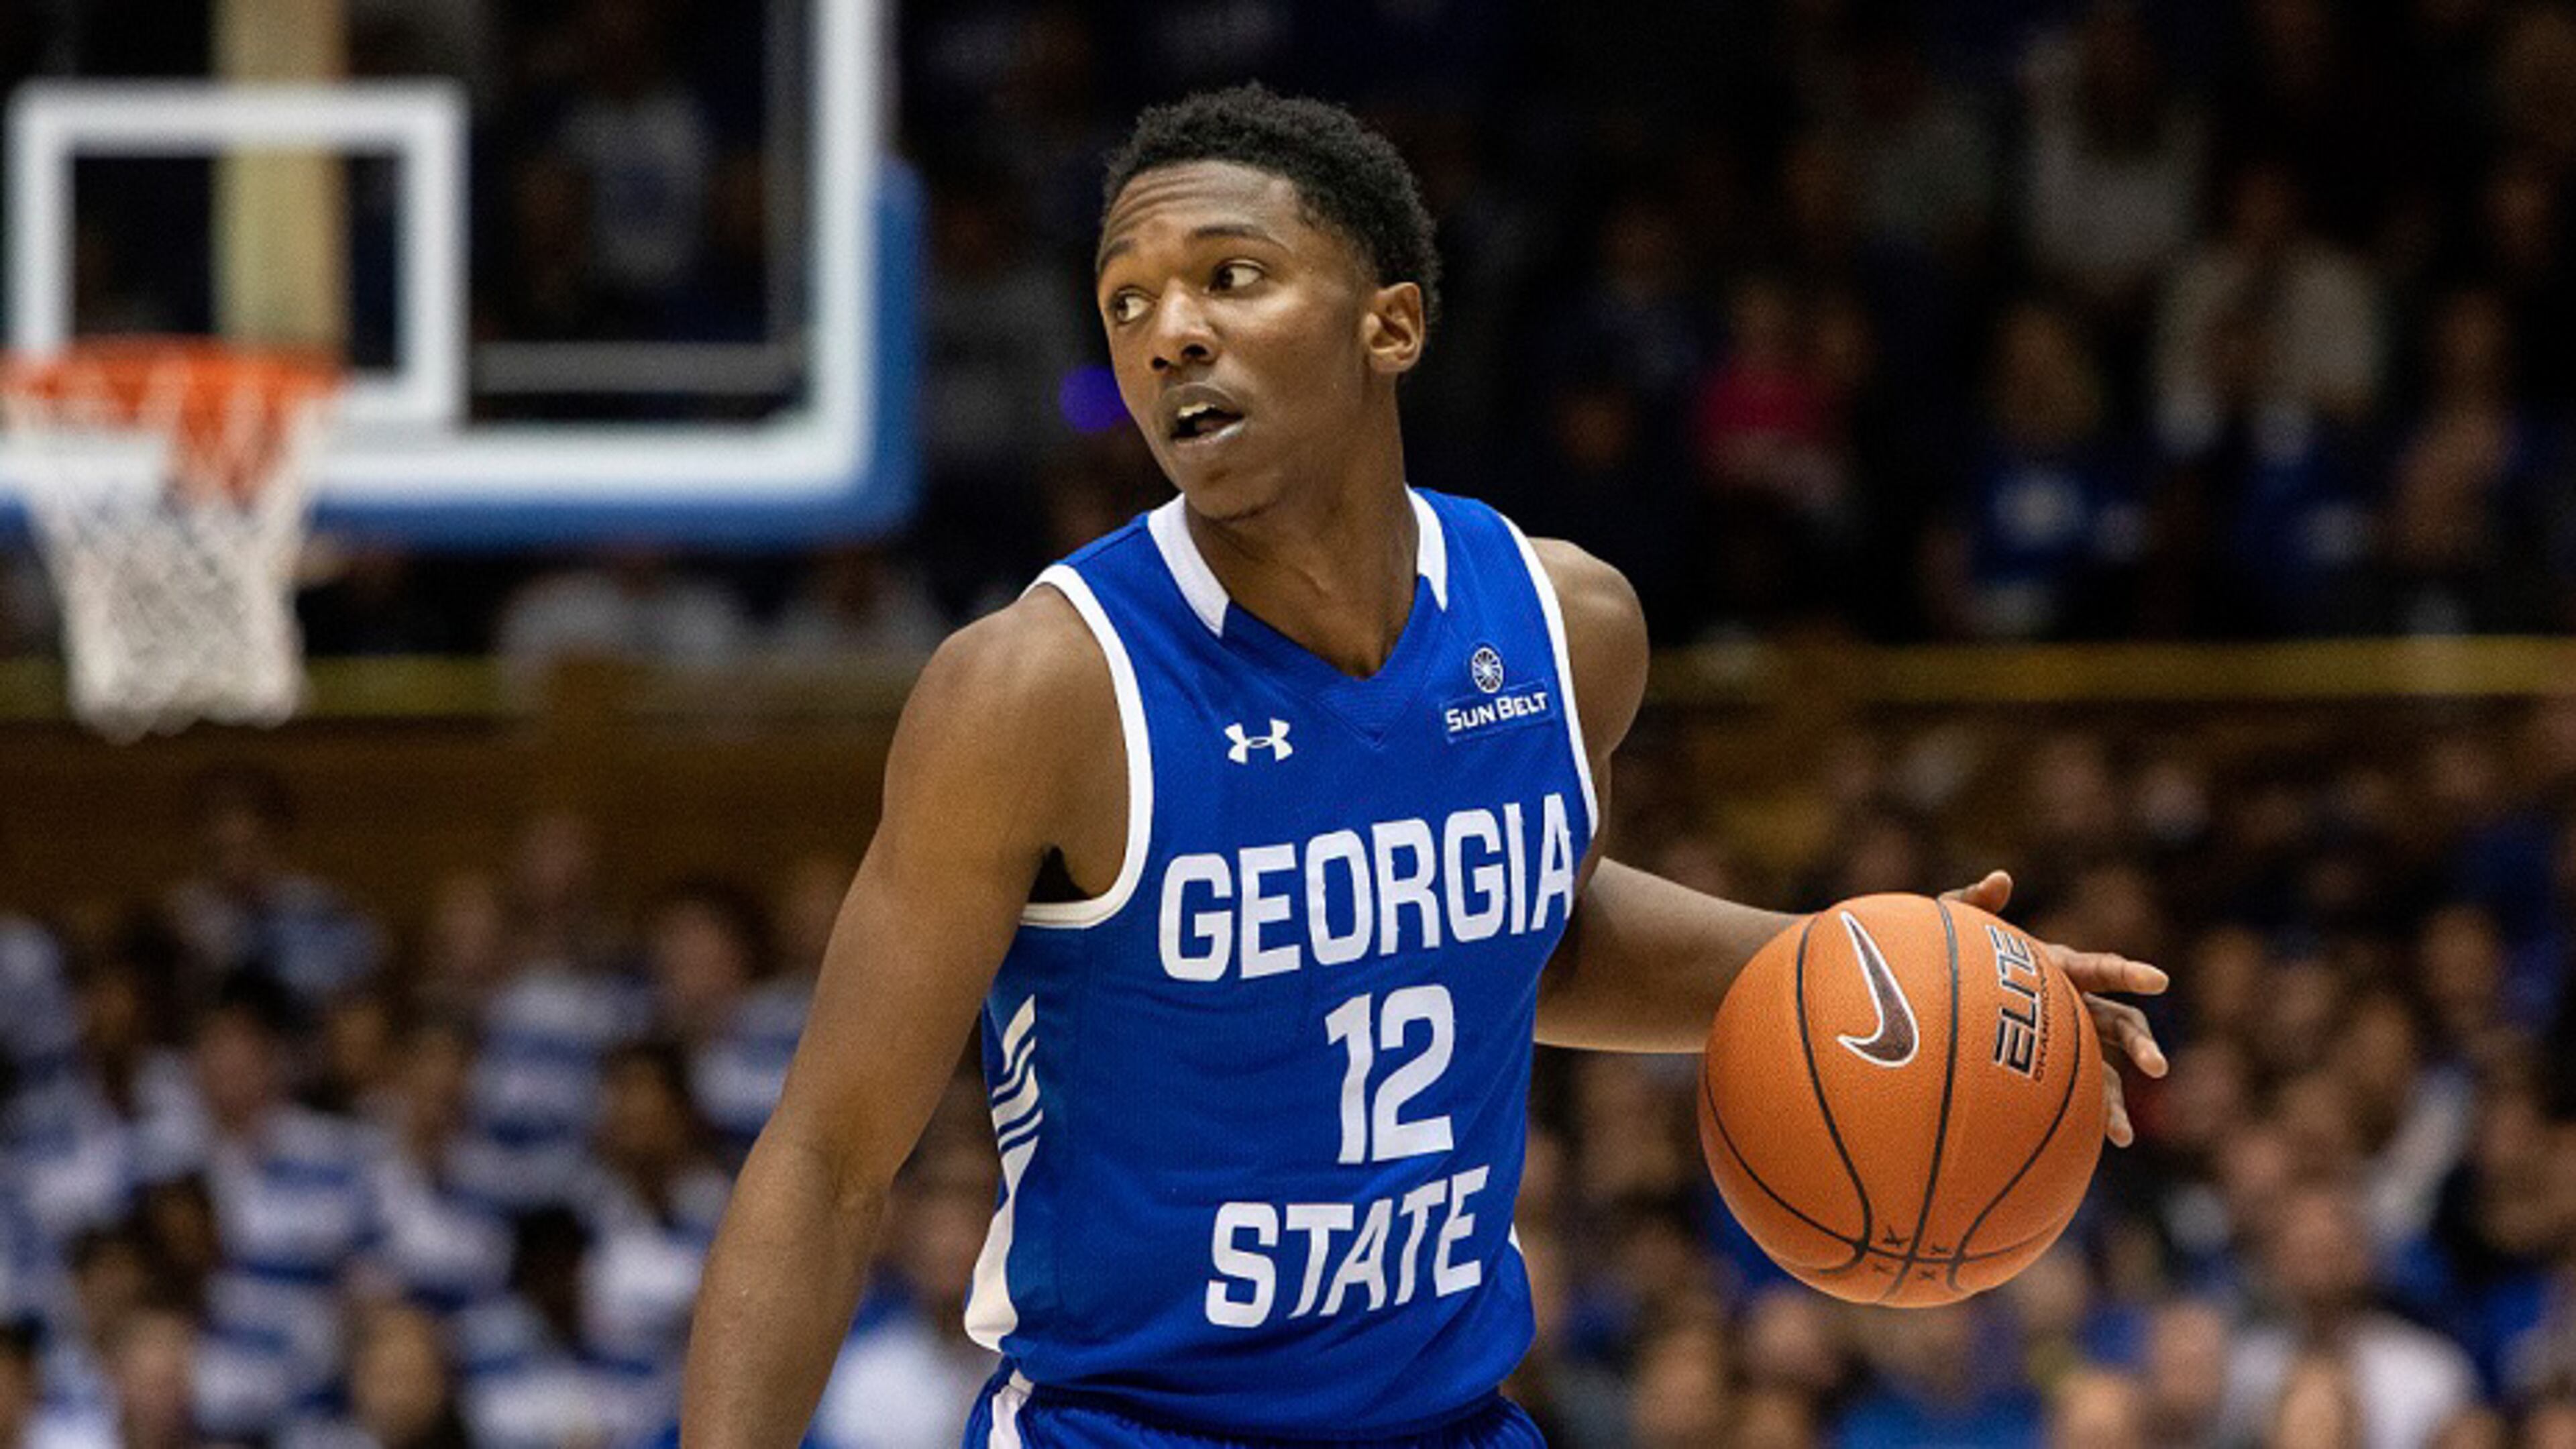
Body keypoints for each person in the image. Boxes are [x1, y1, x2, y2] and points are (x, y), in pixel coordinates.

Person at [681, 85, 2168, 1447]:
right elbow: (826, 1158)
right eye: (1126, 303)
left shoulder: (1567, 626)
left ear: (1390, 326)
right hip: (1130, 1426)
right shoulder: (1039, 689)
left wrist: (1889, 984)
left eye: (1230, 277)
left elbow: (1522, 931)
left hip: (1453, 1420)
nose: (1167, 332)